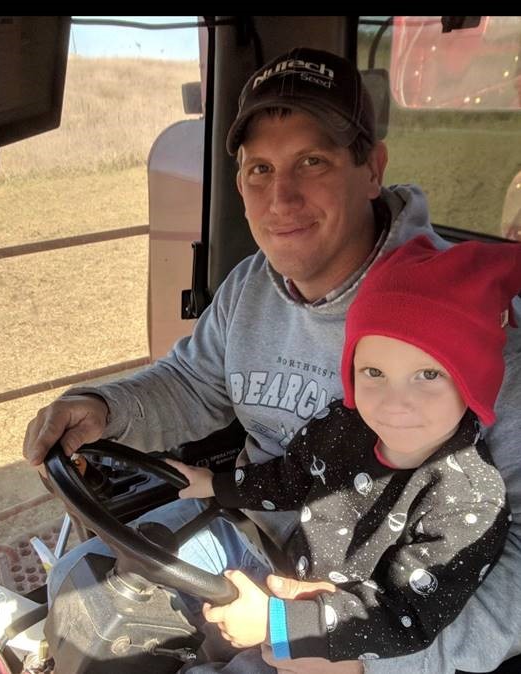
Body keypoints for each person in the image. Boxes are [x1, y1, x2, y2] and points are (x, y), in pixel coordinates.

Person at [23, 47, 521, 674]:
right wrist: (102, 408)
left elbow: (514, 559)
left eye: (311, 161)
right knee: (84, 590)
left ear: (372, 169)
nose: (281, 198)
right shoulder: (250, 285)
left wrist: (363, 663)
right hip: (252, 528)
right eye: (260, 169)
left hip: (372, 598)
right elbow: (190, 382)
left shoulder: (463, 324)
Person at [166, 234, 519, 662]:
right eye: (374, 371)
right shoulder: (344, 427)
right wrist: (216, 484)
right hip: (283, 582)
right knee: (152, 562)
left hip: (345, 645)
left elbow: (407, 616)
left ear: (474, 380)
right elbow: (289, 478)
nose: (394, 402)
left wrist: (281, 623)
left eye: (428, 375)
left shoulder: (469, 500)